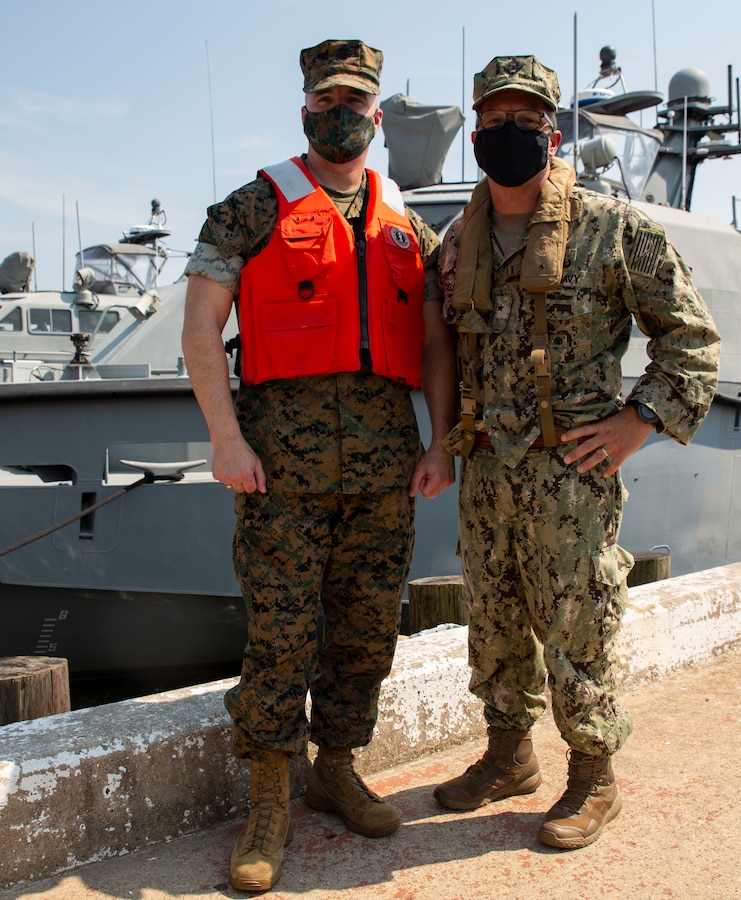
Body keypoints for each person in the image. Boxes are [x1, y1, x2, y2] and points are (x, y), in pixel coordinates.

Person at [181, 38, 457, 892]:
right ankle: (269, 795)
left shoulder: (406, 222)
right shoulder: (248, 209)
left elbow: (440, 345)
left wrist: (442, 439)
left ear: (379, 114)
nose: (343, 113)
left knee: (368, 631)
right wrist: (226, 440)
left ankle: (336, 769)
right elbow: (198, 331)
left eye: (358, 101)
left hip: (384, 474)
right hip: (280, 473)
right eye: (328, 99)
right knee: (279, 634)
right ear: (305, 109)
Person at [434, 55, 720, 850]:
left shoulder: (613, 228)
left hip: (572, 475)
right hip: (488, 470)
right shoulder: (460, 238)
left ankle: (594, 776)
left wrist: (638, 423)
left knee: (579, 623)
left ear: (552, 133)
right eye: (491, 123)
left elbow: (691, 342)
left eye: (523, 122)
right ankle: (508, 754)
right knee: (490, 617)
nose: (505, 135)